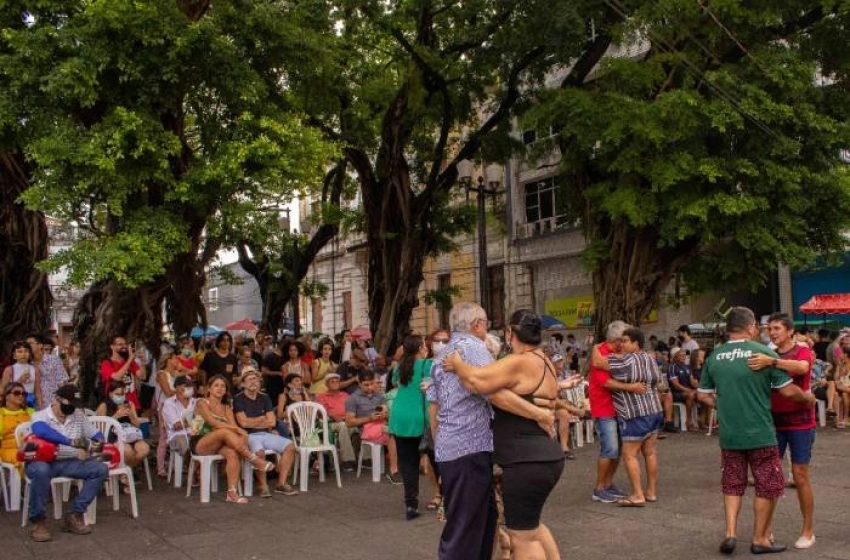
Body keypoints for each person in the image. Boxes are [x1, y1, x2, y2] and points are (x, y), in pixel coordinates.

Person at [427, 303, 555, 560]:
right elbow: (492, 392)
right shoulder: (473, 348)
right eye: (485, 323)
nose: (487, 328)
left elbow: (434, 402)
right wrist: (538, 413)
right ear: (477, 325)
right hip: (469, 448)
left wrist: (440, 443)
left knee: (480, 522)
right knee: (468, 528)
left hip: (454, 448)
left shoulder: (443, 354)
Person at [696, 306, 817, 555]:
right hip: (761, 431)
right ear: (750, 327)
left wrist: (723, 404)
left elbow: (702, 395)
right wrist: (807, 399)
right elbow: (787, 390)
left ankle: (730, 533)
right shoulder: (761, 353)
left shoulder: (714, 356)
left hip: (730, 434)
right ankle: (760, 538)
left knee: (732, 483)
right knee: (768, 484)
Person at [748, 313, 817, 549]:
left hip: (801, 423)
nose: (772, 333)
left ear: (790, 331)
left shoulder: (800, 350)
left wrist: (772, 362)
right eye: (769, 329)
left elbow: (801, 368)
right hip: (773, 423)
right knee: (770, 477)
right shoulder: (769, 353)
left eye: (777, 328)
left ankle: (808, 530)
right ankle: (766, 530)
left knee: (800, 476)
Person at [26, 384, 109, 542]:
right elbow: (41, 430)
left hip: (70, 462)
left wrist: (97, 443)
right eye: (69, 402)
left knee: (100, 470)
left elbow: (95, 433)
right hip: (43, 461)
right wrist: (72, 442)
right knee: (41, 472)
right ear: (57, 399)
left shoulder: (78, 415)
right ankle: (38, 522)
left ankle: (74, 514)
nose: (72, 407)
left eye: (75, 404)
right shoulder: (41, 415)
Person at [602, 327, 663, 507]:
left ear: (636, 344)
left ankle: (637, 494)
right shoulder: (650, 358)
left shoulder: (626, 361)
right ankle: (651, 491)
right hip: (654, 410)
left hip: (635, 414)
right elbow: (658, 380)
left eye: (626, 341)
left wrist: (600, 345)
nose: (621, 344)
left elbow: (600, 363)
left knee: (629, 454)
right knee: (650, 453)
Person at [192, 375, 274, 504]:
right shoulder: (202, 402)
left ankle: (231, 492)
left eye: (223, 386)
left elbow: (235, 428)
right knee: (225, 431)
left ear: (226, 390)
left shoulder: (227, 408)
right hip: (201, 443)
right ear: (209, 389)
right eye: (216, 385)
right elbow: (214, 422)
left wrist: (242, 434)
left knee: (233, 453)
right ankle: (252, 459)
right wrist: (237, 430)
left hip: (221, 444)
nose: (220, 388)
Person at [388, 335, 438, 520]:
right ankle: (444, 500)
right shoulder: (428, 365)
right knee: (436, 461)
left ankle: (411, 506)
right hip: (421, 417)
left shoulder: (400, 367)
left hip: (400, 417)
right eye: (424, 345)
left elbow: (395, 383)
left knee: (408, 464)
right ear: (420, 348)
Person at [232, 368, 298, 497]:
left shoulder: (265, 397)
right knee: (259, 452)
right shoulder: (238, 399)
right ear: (243, 383)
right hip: (249, 435)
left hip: (266, 433)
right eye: (250, 379)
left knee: (290, 447)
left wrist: (254, 421)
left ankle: (281, 483)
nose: (253, 381)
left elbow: (272, 422)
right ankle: (263, 485)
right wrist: (262, 419)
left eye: (255, 379)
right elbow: (243, 423)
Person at [588, 320, 631, 503]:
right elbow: (606, 382)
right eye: (624, 339)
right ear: (617, 340)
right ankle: (599, 488)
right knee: (610, 448)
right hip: (603, 407)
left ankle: (608, 483)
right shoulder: (601, 352)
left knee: (618, 449)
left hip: (617, 408)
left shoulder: (612, 352)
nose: (626, 343)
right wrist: (632, 388)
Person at [95, 381, 150, 491]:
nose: (121, 397)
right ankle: (127, 476)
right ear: (110, 393)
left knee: (144, 449)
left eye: (123, 394)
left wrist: (132, 416)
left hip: (130, 435)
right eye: (118, 394)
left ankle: (125, 474)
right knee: (127, 451)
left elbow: (137, 425)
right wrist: (116, 416)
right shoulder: (104, 405)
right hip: (111, 436)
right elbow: (99, 428)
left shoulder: (129, 404)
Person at [315, 373, 357, 469]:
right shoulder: (321, 396)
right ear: (327, 384)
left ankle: (360, 459)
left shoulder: (345, 395)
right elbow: (321, 412)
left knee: (351, 427)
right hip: (331, 423)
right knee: (343, 426)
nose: (335, 383)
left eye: (337, 381)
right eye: (332, 382)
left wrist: (349, 416)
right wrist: (333, 416)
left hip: (347, 420)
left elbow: (353, 408)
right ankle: (348, 460)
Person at [160, 376, 197, 471]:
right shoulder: (169, 403)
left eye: (188, 386)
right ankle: (193, 472)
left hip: (195, 433)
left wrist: (194, 421)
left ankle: (197, 470)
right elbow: (177, 426)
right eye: (182, 386)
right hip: (176, 436)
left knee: (206, 445)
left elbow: (206, 420)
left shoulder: (196, 402)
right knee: (187, 446)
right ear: (176, 388)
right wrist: (198, 420)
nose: (185, 389)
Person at [100, 335, 144, 410]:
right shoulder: (106, 364)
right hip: (115, 406)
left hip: (133, 405)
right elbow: (117, 377)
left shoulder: (131, 362)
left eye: (125, 344)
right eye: (120, 344)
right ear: (112, 346)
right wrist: (130, 359)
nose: (124, 346)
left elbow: (142, 376)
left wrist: (142, 361)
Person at [0, 381, 34, 471]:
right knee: (27, 458)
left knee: (43, 456)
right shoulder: (0, 414)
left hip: (30, 448)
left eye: (23, 393)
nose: (21, 396)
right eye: (16, 393)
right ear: (6, 396)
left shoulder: (30, 412)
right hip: (10, 451)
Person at [1, 341, 39, 409]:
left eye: (26, 351)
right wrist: (19, 381)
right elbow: (4, 390)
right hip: (13, 402)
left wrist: (40, 405)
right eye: (19, 351)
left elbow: (37, 390)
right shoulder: (10, 369)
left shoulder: (35, 369)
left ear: (30, 354)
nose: (23, 354)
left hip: (30, 401)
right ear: (14, 355)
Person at [668, 348, 698, 431]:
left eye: (685, 354)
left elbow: (692, 382)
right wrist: (687, 390)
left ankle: (702, 420)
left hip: (688, 391)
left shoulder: (687, 367)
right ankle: (688, 421)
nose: (684, 356)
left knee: (703, 394)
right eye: (681, 354)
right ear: (675, 356)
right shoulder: (672, 367)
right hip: (676, 393)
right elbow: (676, 385)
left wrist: (696, 384)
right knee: (691, 395)